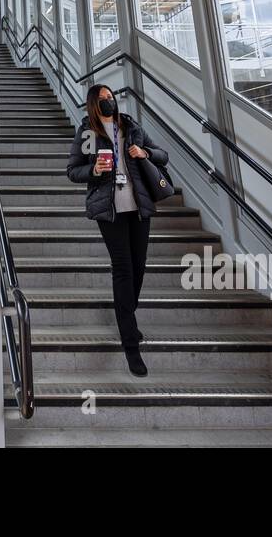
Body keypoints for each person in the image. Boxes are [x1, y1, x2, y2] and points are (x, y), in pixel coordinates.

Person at [66, 84, 171, 377]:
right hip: (109, 210)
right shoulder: (88, 132)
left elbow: (163, 156)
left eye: (111, 97)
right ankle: (130, 345)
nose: (109, 101)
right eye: (102, 99)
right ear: (92, 105)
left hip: (138, 206)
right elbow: (73, 170)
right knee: (123, 269)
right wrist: (95, 171)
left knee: (139, 267)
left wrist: (144, 151)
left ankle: (127, 315)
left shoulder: (131, 126)